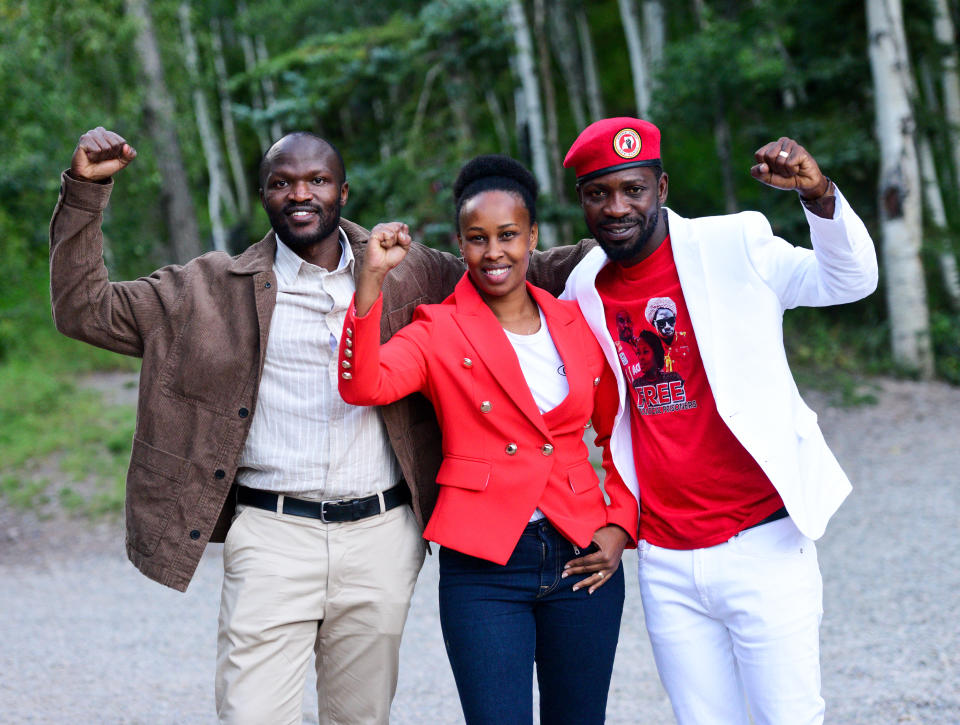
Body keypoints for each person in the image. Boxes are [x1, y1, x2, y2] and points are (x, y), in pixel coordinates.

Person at [49, 127, 590, 724]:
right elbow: (84, 308)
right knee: (251, 715)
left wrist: (641, 237)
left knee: (359, 719)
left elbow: (524, 265)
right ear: (263, 195)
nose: (300, 194)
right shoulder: (206, 290)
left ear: (343, 191)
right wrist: (84, 192)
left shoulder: (409, 273)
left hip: (381, 536)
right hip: (272, 534)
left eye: (317, 180)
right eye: (282, 183)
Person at [560, 118, 878, 724]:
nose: (617, 207)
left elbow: (851, 281)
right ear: (582, 201)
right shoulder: (585, 287)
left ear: (663, 187)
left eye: (633, 189)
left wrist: (819, 196)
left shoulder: (736, 242)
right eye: (599, 193)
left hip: (763, 541)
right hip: (667, 559)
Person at [337, 155, 639, 724]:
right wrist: (371, 280)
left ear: (531, 237)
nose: (493, 252)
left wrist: (621, 523)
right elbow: (365, 385)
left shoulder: (576, 323)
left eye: (507, 235)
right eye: (477, 239)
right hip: (485, 565)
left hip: (583, 553)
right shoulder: (436, 327)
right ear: (460, 243)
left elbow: (617, 433)